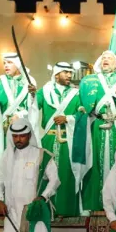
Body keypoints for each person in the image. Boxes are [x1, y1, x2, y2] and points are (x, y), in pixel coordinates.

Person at [77, 50, 116, 212]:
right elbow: (82, 103)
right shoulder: (90, 81)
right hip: (96, 127)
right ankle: (94, 203)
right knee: (94, 162)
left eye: (109, 58)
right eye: (103, 57)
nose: (105, 60)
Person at [0, 53, 38, 214]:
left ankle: (21, 203)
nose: (6, 66)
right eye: (4, 63)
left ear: (18, 64)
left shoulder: (29, 80)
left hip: (21, 131)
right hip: (2, 130)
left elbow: (32, 106)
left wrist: (22, 113)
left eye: (9, 63)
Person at [32, 62, 83, 217]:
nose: (69, 75)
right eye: (65, 72)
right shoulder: (44, 92)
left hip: (69, 141)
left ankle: (66, 209)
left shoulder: (76, 94)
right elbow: (32, 107)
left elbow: (82, 114)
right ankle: (46, 209)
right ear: (56, 74)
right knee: (46, 175)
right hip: (49, 138)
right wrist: (31, 96)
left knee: (68, 174)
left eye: (70, 72)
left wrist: (68, 118)